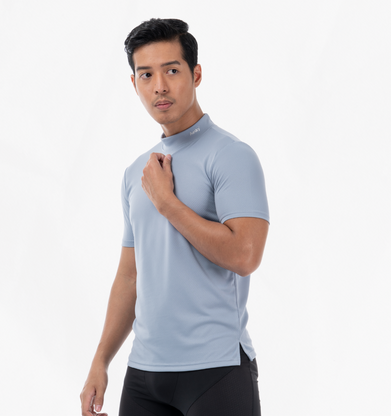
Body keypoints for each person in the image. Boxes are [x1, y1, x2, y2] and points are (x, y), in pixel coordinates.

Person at [80, 18, 269, 416]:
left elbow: (245, 255)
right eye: (146, 75)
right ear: (134, 84)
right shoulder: (137, 172)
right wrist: (101, 359)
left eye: (171, 70)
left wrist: (167, 204)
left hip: (216, 369)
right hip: (145, 375)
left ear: (195, 74)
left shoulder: (231, 155)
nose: (159, 87)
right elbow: (130, 276)